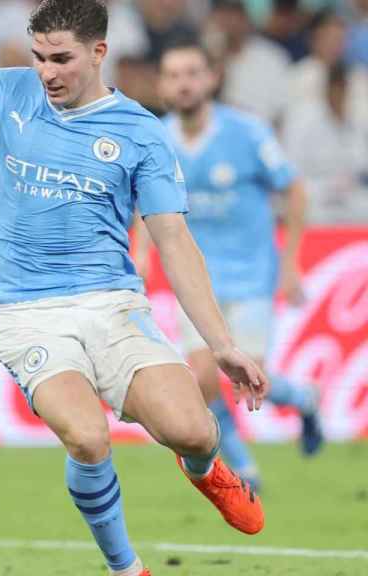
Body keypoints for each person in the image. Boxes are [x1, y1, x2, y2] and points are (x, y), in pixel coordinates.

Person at [0, 1, 269, 575]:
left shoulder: (139, 132)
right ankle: (126, 567)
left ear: (99, 52)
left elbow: (175, 242)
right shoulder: (6, 93)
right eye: (39, 57)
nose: (47, 72)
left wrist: (222, 344)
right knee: (87, 438)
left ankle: (205, 465)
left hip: (111, 303)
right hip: (20, 308)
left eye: (61, 59)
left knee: (190, 430)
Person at [141, 41, 324, 489]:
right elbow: (145, 202)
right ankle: (245, 468)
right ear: (162, 84)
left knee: (248, 378)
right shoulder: (156, 139)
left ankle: (302, 398)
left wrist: (290, 262)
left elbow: (294, 191)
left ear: (211, 78)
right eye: (173, 75)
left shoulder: (248, 132)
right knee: (203, 378)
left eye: (192, 73)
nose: (183, 83)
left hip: (251, 276)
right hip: (194, 280)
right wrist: (141, 254)